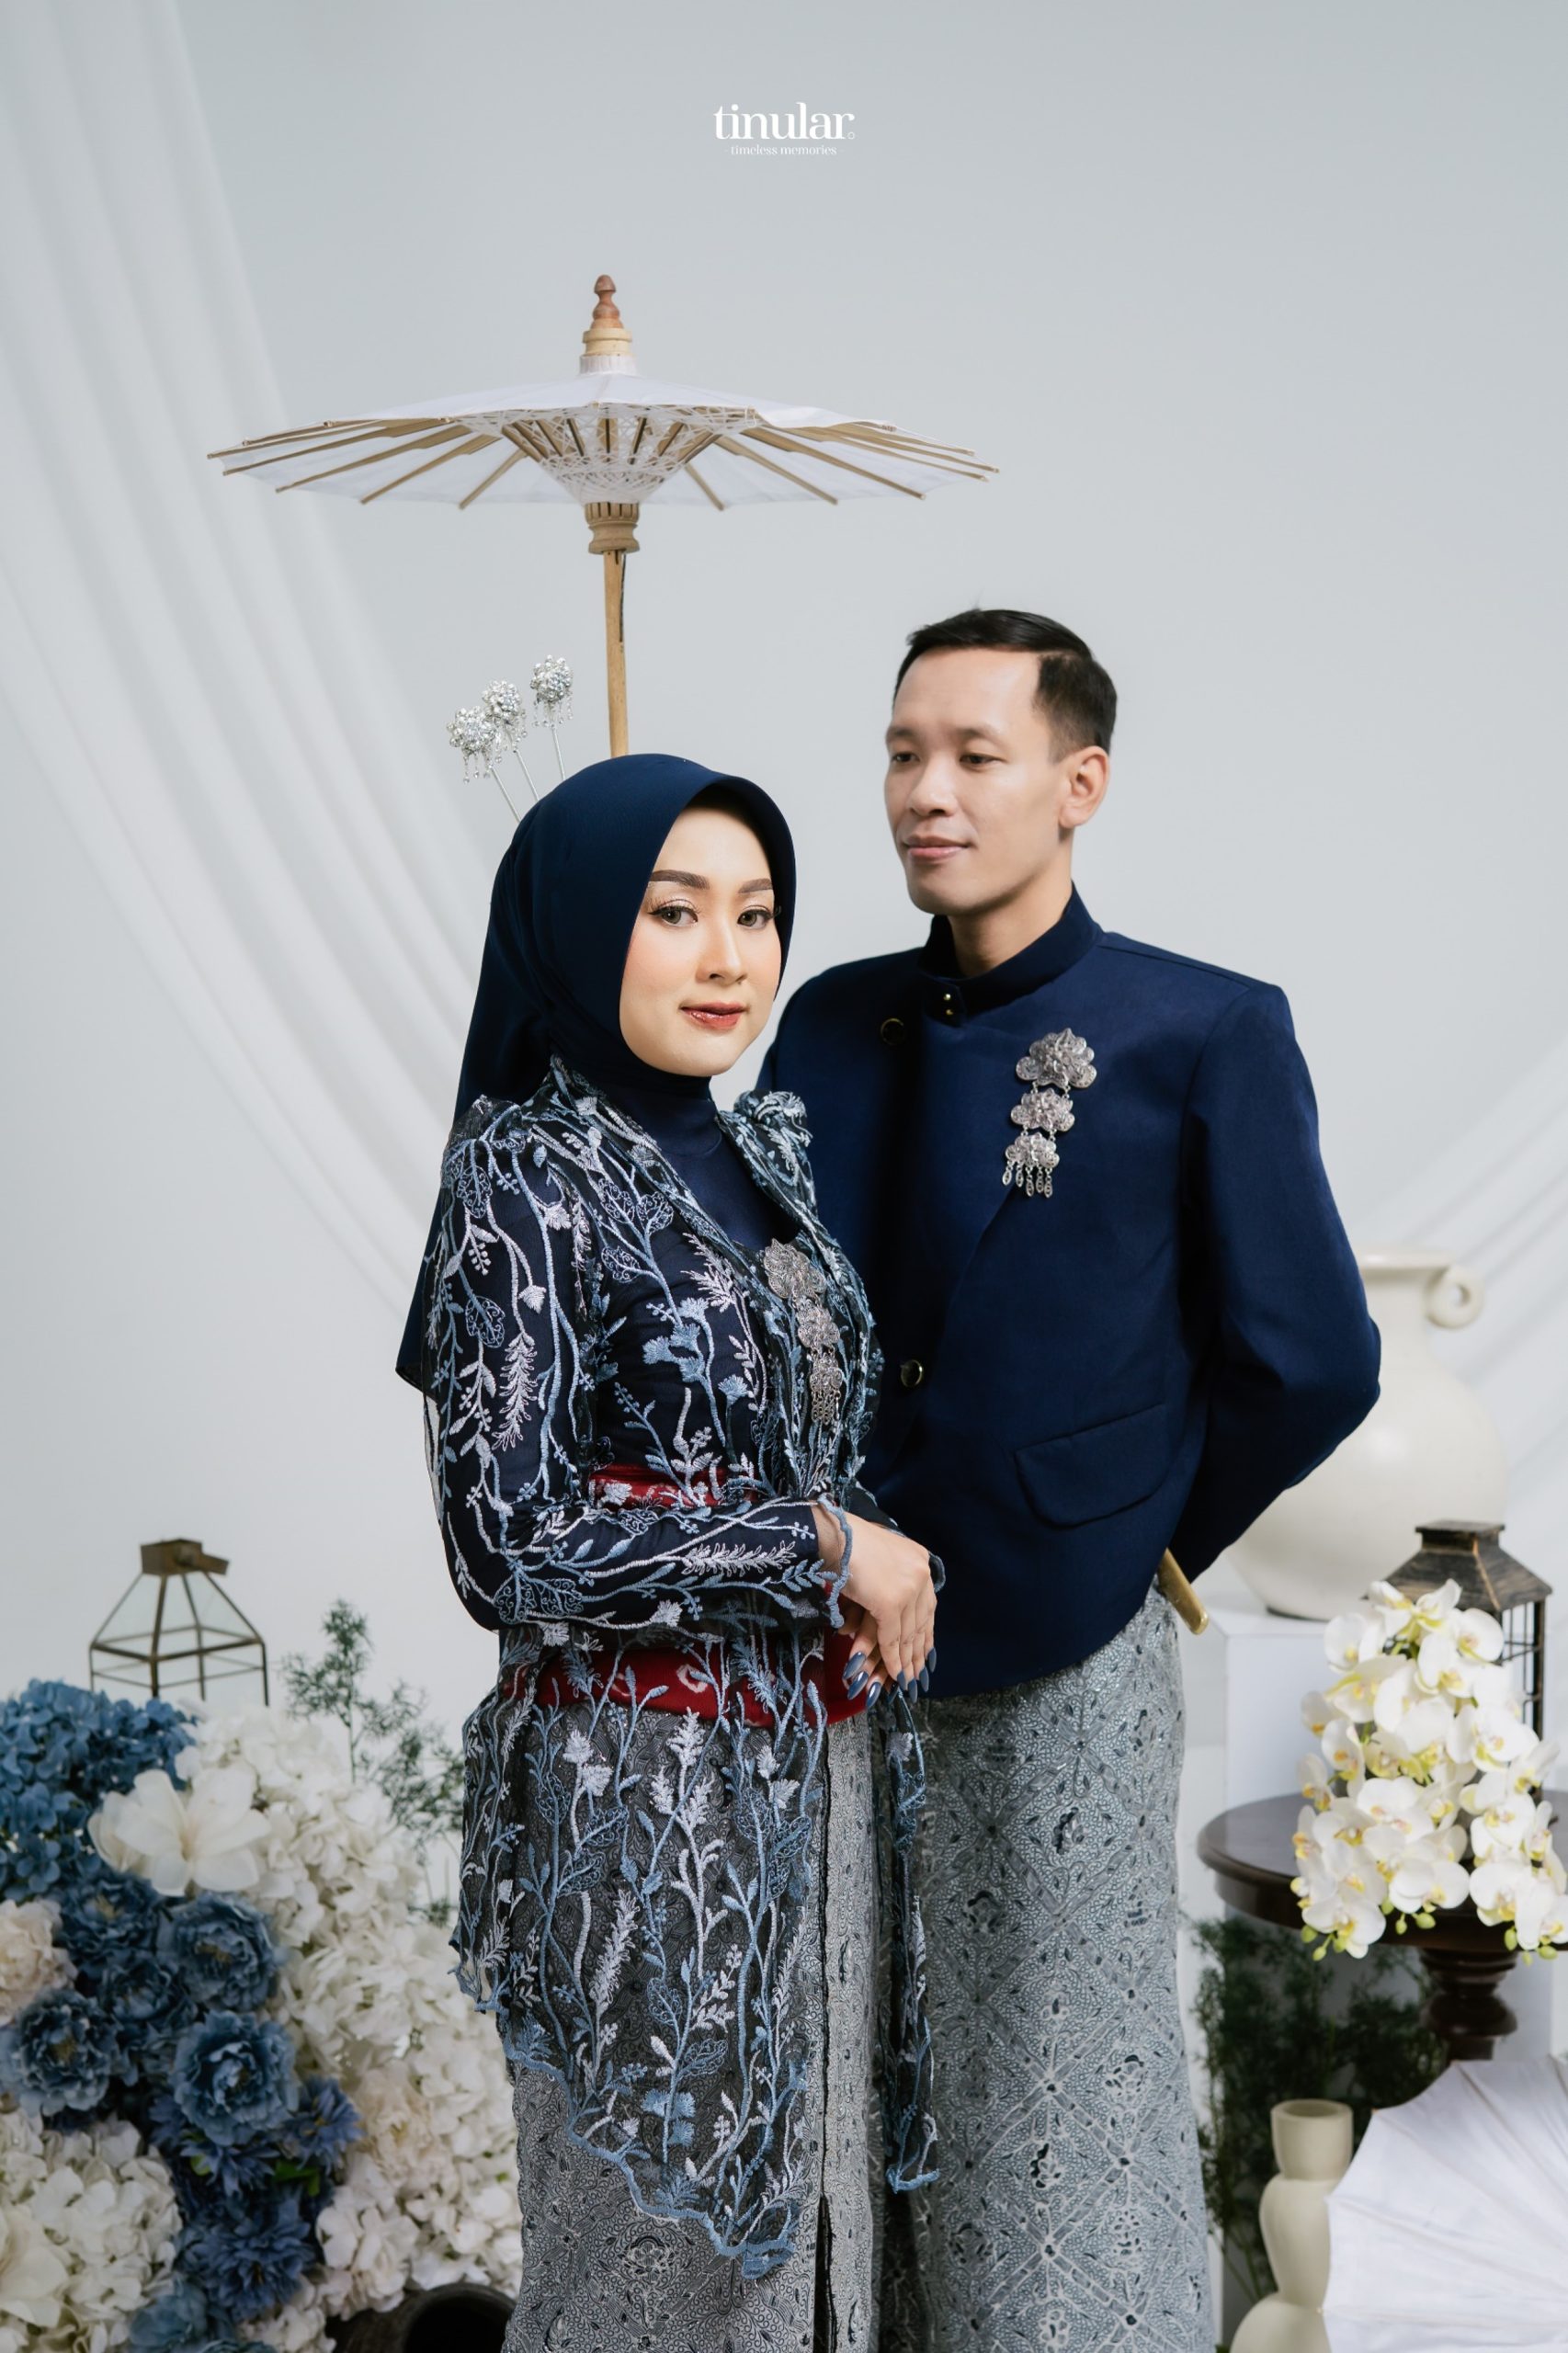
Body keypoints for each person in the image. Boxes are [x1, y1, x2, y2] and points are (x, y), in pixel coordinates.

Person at [760, 610, 1382, 2352]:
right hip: (820, 1642)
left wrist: (1129, 1532)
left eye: (975, 755)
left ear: (1078, 782)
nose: (927, 792)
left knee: (1051, 2084)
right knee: (843, 2066)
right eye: (903, 753)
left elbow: (1313, 1355)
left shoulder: (1202, 1026)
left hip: (1062, 1642)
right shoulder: (825, 1020)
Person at [395, 753, 940, 2352]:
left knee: (812, 2238)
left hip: (816, 1785)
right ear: (577, 929)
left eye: (756, 915)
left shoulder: (766, 1157)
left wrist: (863, 1550)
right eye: (673, 911)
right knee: (647, 2252)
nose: (728, 958)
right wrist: (818, 1544)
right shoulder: (524, 1175)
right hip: (640, 1799)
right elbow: (509, 1545)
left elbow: (793, 1428)